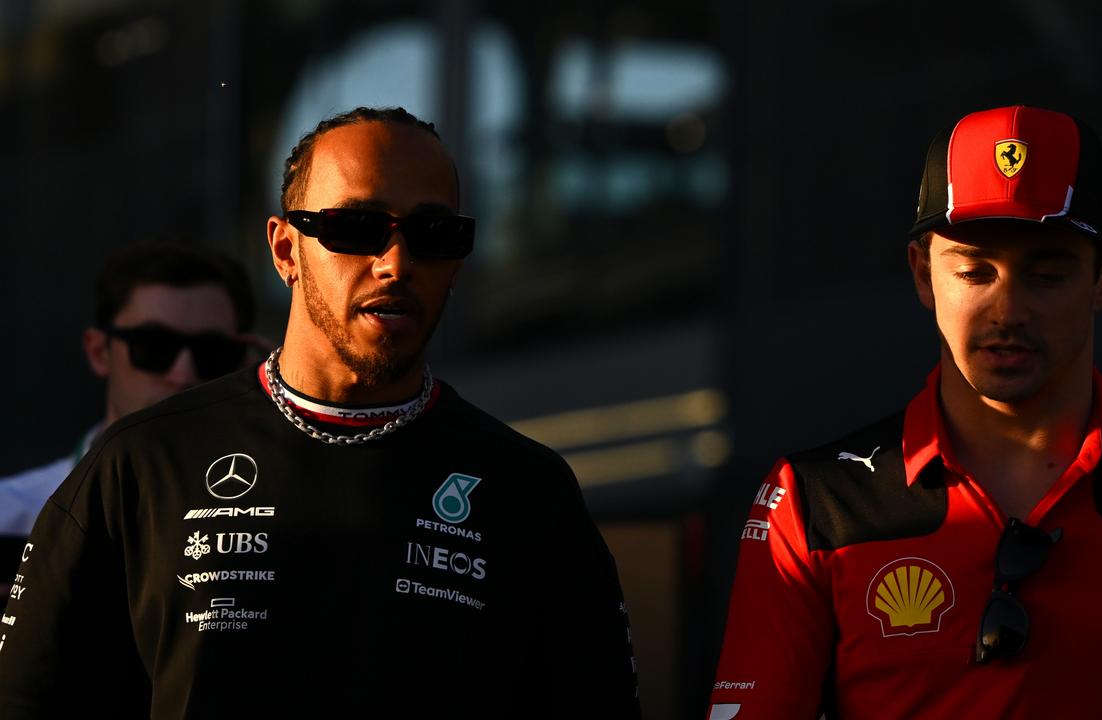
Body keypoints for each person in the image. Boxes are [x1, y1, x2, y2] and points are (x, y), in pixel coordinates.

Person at [0, 107, 640, 718]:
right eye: (356, 228)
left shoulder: (528, 491)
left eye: (434, 235)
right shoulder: (141, 464)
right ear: (284, 251)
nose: (396, 264)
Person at [706, 106, 1102, 719]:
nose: (1008, 311)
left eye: (1048, 274)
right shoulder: (814, 502)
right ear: (924, 275)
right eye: (976, 272)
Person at [0, 243, 256, 592]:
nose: (182, 374)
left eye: (212, 352)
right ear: (99, 351)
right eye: (153, 347)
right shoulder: (10, 516)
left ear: (245, 361)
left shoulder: (277, 519)